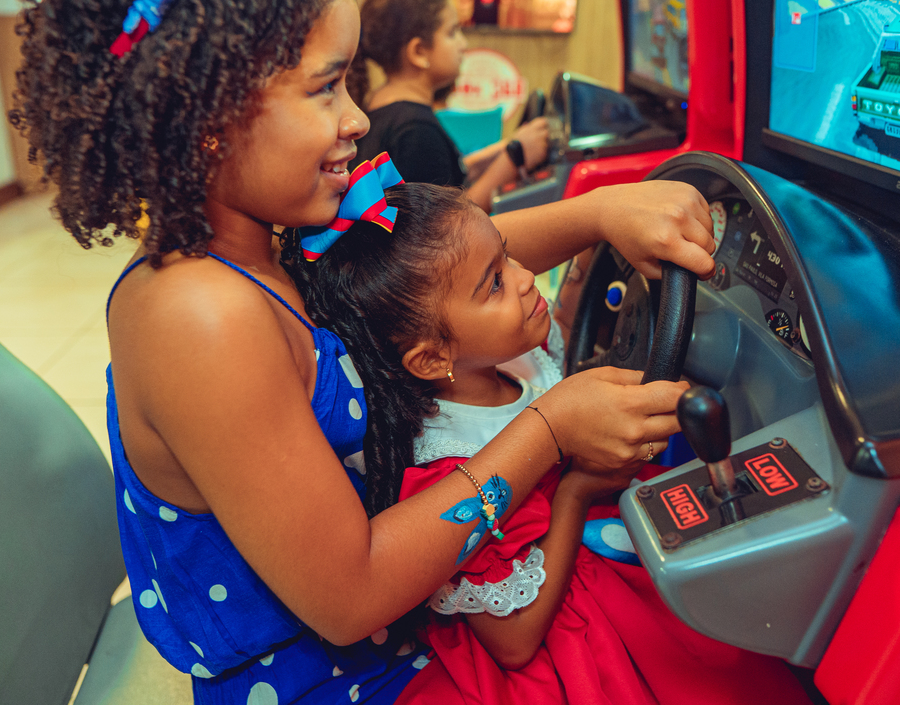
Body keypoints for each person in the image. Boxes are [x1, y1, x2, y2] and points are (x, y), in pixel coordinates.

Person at [11, 0, 716, 702]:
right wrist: (548, 432)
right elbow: (350, 596)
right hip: (342, 674)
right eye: (326, 89)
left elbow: (438, 264)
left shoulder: (264, 238)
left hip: (402, 624)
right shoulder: (197, 316)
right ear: (206, 119)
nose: (355, 119)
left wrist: (598, 214)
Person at [301, 179, 813, 705]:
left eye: (507, 256)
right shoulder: (447, 464)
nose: (525, 279)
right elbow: (514, 640)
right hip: (573, 622)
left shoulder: (510, 355)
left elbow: (564, 344)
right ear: (432, 359)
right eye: (494, 284)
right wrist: (575, 491)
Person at [350, 0, 550, 212]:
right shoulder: (416, 131)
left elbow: (446, 174)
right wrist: (513, 159)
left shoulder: (384, 107)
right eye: (452, 32)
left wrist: (508, 147)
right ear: (419, 52)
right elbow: (450, 225)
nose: (463, 44)